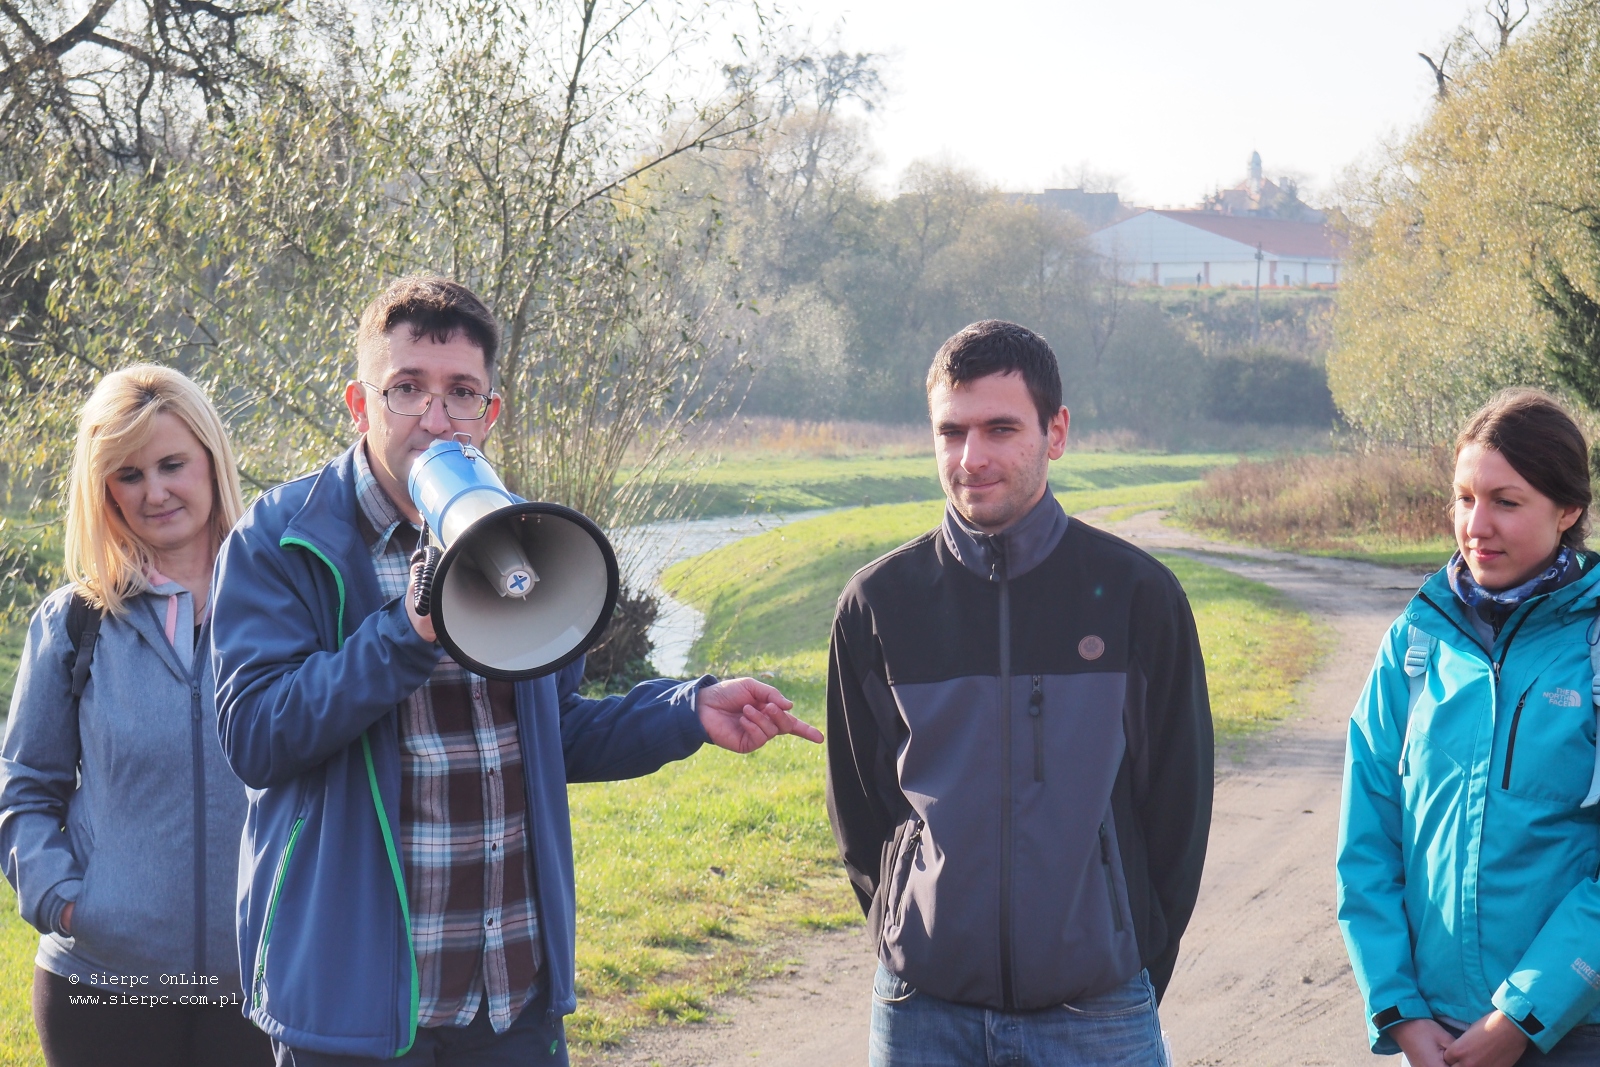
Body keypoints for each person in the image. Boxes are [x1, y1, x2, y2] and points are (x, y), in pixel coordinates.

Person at [209, 275, 821, 1066]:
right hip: (357, 1008)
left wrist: (684, 710)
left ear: (490, 413)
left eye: (462, 392)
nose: (434, 420)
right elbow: (257, 736)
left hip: (510, 1002)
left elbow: (551, 732)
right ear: (360, 405)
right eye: (406, 390)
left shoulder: (520, 538)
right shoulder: (280, 540)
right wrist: (408, 630)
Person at [825, 319, 1213, 1067]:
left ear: (1055, 430)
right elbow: (861, 804)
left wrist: (1127, 958)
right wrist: (904, 933)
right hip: (922, 1017)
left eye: (1001, 428)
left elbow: (1177, 809)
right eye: (952, 431)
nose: (973, 458)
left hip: (1098, 1014)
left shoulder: (1139, 597)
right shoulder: (878, 604)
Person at [0, 365, 271, 1067]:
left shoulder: (282, 608)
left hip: (264, 983)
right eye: (127, 473)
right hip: (101, 988)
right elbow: (25, 785)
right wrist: (64, 899)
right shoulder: (75, 623)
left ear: (211, 458)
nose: (154, 491)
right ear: (103, 490)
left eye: (172, 464)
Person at [1339, 389, 1600, 1067]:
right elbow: (1368, 843)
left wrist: (1522, 1014)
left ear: (1568, 509)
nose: (1475, 525)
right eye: (1464, 498)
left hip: (1577, 1034)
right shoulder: (1415, 643)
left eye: (1506, 502)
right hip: (1435, 1037)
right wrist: (1397, 1007)